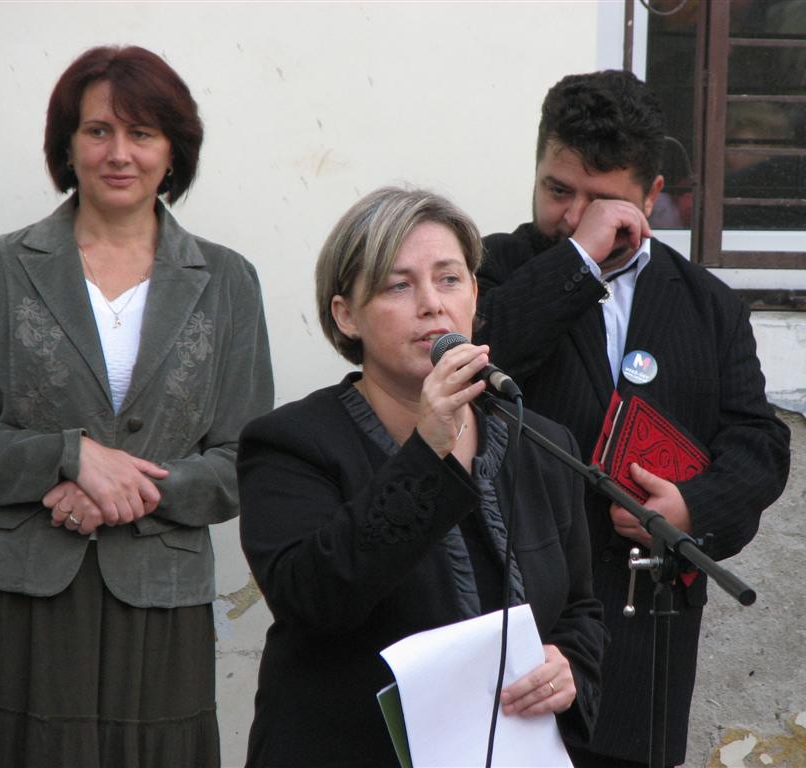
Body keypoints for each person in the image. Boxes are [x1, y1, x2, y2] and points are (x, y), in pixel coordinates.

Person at [0, 45, 273, 767]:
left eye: (142, 133)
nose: (119, 153)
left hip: (159, 597)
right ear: (67, 146)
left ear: (173, 152)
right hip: (16, 593)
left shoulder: (227, 281)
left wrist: (125, 489)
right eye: (98, 131)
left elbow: (244, 460)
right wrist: (69, 456)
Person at [474, 70, 791, 767]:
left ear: (652, 196)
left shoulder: (708, 304)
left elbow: (759, 443)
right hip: (516, 623)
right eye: (558, 191)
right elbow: (481, 354)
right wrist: (577, 259)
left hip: (644, 635)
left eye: (602, 201)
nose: (574, 216)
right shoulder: (487, 268)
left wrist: (692, 508)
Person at [237, 186, 606, 767]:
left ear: (475, 296)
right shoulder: (291, 443)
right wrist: (428, 448)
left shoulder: (543, 443)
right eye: (398, 285)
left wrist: (569, 668)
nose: (432, 304)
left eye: (449, 279)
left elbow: (580, 609)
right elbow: (312, 601)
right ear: (346, 315)